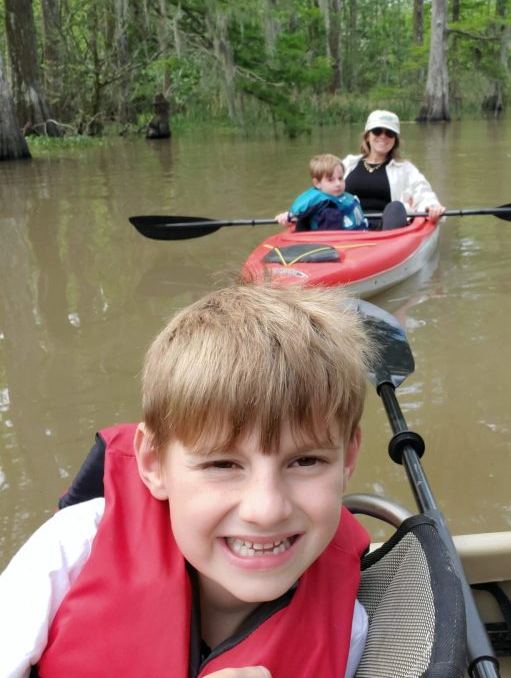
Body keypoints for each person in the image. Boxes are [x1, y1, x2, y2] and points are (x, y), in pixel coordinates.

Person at [0, 282, 373, 678]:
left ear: (347, 459)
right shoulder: (70, 550)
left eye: (306, 461)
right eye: (222, 465)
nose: (266, 510)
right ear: (153, 463)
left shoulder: (348, 629)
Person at [342, 109, 446, 230]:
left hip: (387, 230)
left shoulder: (405, 169)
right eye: (377, 131)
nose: (383, 136)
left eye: (389, 133)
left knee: (396, 207)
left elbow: (423, 192)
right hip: (349, 227)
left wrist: (431, 206)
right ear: (367, 136)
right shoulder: (348, 164)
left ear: (395, 140)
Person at [276, 153, 367, 232]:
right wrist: (287, 216)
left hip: (355, 239)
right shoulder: (325, 208)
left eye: (340, 178)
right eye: (331, 180)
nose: (338, 184)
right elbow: (298, 213)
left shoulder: (345, 198)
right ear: (317, 183)